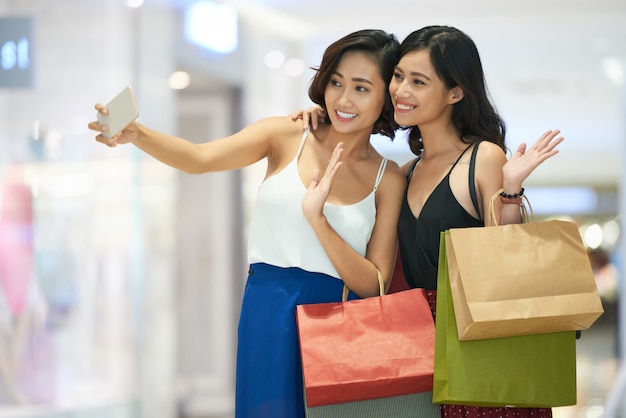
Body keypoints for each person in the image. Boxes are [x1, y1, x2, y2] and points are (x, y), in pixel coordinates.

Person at [88, 29, 406, 418]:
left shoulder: (387, 178)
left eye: (361, 88)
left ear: (385, 99)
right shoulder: (287, 133)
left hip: (342, 314)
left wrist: (318, 220)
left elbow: (374, 284)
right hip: (269, 308)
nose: (342, 99)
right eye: (336, 82)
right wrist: (138, 134)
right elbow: (200, 158)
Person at [295, 25, 563, 418]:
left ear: (455, 92)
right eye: (399, 77)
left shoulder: (483, 157)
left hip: (481, 338)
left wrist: (509, 190)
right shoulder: (404, 172)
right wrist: (319, 120)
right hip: (416, 343)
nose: (402, 91)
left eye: (419, 81)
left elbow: (506, 258)